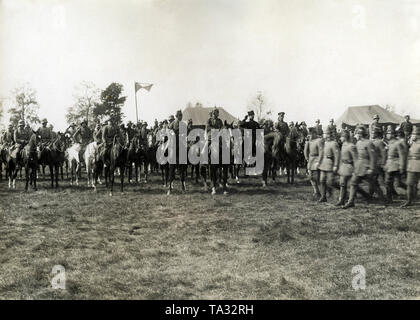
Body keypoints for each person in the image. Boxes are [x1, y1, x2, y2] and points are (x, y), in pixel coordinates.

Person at [343, 126, 378, 208]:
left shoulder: (369, 143)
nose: (358, 135)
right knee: (353, 182)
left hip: (366, 167)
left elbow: (373, 157)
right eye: (357, 133)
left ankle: (383, 199)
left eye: (360, 134)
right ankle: (351, 202)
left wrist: (371, 168)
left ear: (363, 134)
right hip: (359, 166)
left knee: (373, 184)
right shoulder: (358, 143)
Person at [384, 126, 407, 203]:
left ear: (393, 134)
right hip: (390, 164)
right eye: (387, 133)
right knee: (390, 182)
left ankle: (411, 190)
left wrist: (402, 166)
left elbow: (402, 155)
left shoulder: (398, 143)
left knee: (395, 183)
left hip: (395, 165)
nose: (387, 135)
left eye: (389, 133)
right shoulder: (389, 143)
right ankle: (389, 199)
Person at [317, 128, 339, 202]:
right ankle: (323, 196)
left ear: (330, 135)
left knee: (330, 182)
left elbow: (337, 155)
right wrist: (319, 163)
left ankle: (342, 192)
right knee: (322, 180)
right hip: (323, 163)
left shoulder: (334, 143)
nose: (326, 135)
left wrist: (336, 165)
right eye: (325, 134)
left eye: (327, 134)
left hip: (330, 164)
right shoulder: (324, 143)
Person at [336, 130, 357, 206]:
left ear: (345, 137)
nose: (340, 138)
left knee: (352, 184)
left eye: (341, 136)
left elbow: (355, 159)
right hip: (344, 166)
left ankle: (351, 201)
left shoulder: (351, 146)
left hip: (350, 166)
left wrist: (355, 169)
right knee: (342, 184)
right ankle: (341, 200)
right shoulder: (343, 145)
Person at [401, 126, 420, 207]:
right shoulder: (411, 143)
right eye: (412, 134)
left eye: (414, 134)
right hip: (411, 166)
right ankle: (409, 201)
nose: (412, 136)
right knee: (409, 184)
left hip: (418, 165)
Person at [304, 127, 322, 199]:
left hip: (317, 159)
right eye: (309, 134)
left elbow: (321, 151)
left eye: (311, 134)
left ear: (314, 134)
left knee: (318, 177)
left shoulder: (318, 141)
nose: (310, 136)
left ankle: (322, 192)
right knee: (311, 177)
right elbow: (305, 150)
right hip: (311, 160)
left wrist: (319, 161)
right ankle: (316, 192)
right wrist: (306, 158)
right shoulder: (308, 142)